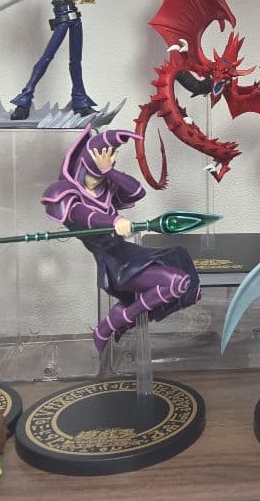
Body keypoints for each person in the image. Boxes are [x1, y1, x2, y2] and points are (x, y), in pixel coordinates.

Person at [41, 128, 201, 352]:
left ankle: (122, 316)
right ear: (81, 168)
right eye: (92, 174)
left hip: (126, 251)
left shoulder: (107, 187)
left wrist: (109, 172)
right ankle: (112, 324)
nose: (96, 181)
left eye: (100, 175)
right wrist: (113, 220)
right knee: (176, 283)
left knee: (188, 282)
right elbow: (84, 216)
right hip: (112, 261)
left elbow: (137, 192)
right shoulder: (67, 195)